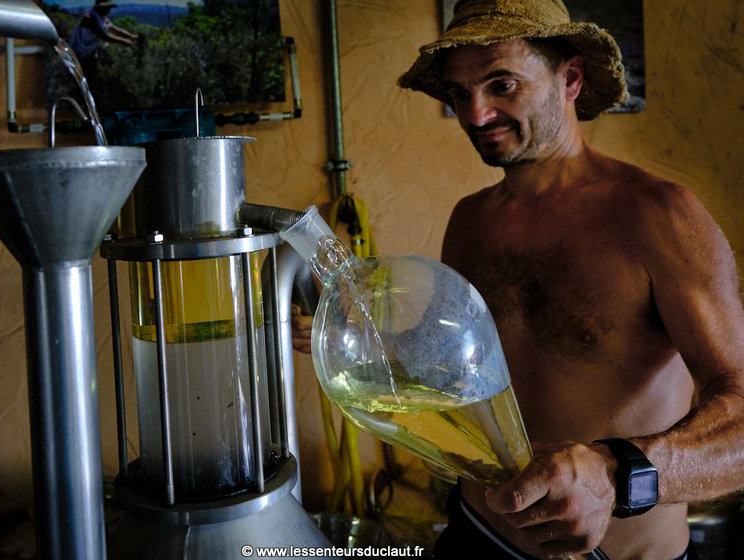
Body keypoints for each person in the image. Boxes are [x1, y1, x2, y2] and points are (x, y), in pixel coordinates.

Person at [294, 0, 744, 558]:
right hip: (478, 533)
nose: (475, 116)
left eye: (501, 85)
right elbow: (458, 372)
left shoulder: (658, 215)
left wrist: (616, 475)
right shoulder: (471, 220)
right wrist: (363, 345)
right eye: (459, 94)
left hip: (610, 550)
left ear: (571, 79)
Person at [68, 0, 138, 77]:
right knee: (86, 77)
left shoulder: (103, 18)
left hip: (90, 52)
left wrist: (133, 37)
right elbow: (103, 35)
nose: (109, 10)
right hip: (82, 53)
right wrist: (124, 41)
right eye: (107, 7)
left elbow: (116, 30)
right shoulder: (90, 17)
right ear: (101, 7)